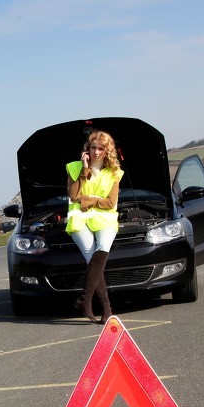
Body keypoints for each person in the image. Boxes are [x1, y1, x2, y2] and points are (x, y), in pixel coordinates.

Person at [65, 129, 123, 323]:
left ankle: (85, 299)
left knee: (102, 250)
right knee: (93, 259)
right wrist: (84, 169)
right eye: (93, 148)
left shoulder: (114, 172)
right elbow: (74, 195)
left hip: (105, 218)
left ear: (107, 151)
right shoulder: (74, 167)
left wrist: (87, 200)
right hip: (79, 218)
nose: (96, 152)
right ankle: (106, 309)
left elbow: (110, 203)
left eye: (100, 149)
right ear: (87, 149)